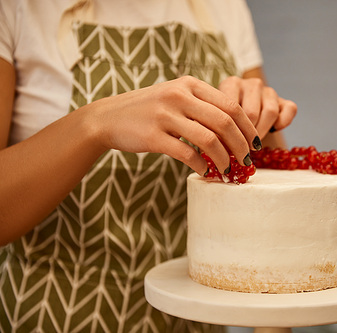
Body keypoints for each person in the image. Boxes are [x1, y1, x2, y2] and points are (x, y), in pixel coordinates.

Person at [0, 0, 297, 331]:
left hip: (196, 320)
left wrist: (254, 116)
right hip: (53, 313)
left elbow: (269, 194)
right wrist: (93, 123)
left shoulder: (225, 7)